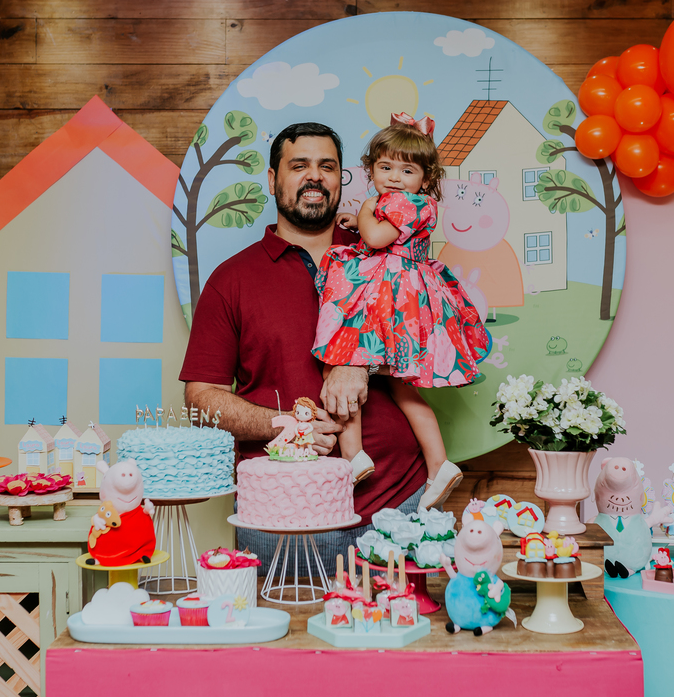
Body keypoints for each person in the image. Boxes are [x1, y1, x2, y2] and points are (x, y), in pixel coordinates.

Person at [180, 122, 427, 566]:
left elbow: (430, 348)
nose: (314, 176)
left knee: (405, 632)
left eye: (326, 166)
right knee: (286, 632)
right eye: (299, 165)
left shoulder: (387, 255)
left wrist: (361, 362)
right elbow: (200, 399)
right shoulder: (231, 280)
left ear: (341, 179)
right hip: (283, 514)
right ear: (273, 180)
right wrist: (285, 426)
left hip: (400, 500)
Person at [313, 114, 489, 509]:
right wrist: (360, 217)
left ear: (426, 178)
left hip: (391, 300)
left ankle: (354, 456)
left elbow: (376, 236)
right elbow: (382, 234)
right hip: (393, 294)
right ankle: (437, 463)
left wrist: (366, 210)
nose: (394, 176)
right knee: (397, 386)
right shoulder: (404, 204)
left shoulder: (409, 203)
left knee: (344, 359)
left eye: (406, 170)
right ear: (371, 168)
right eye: (385, 167)